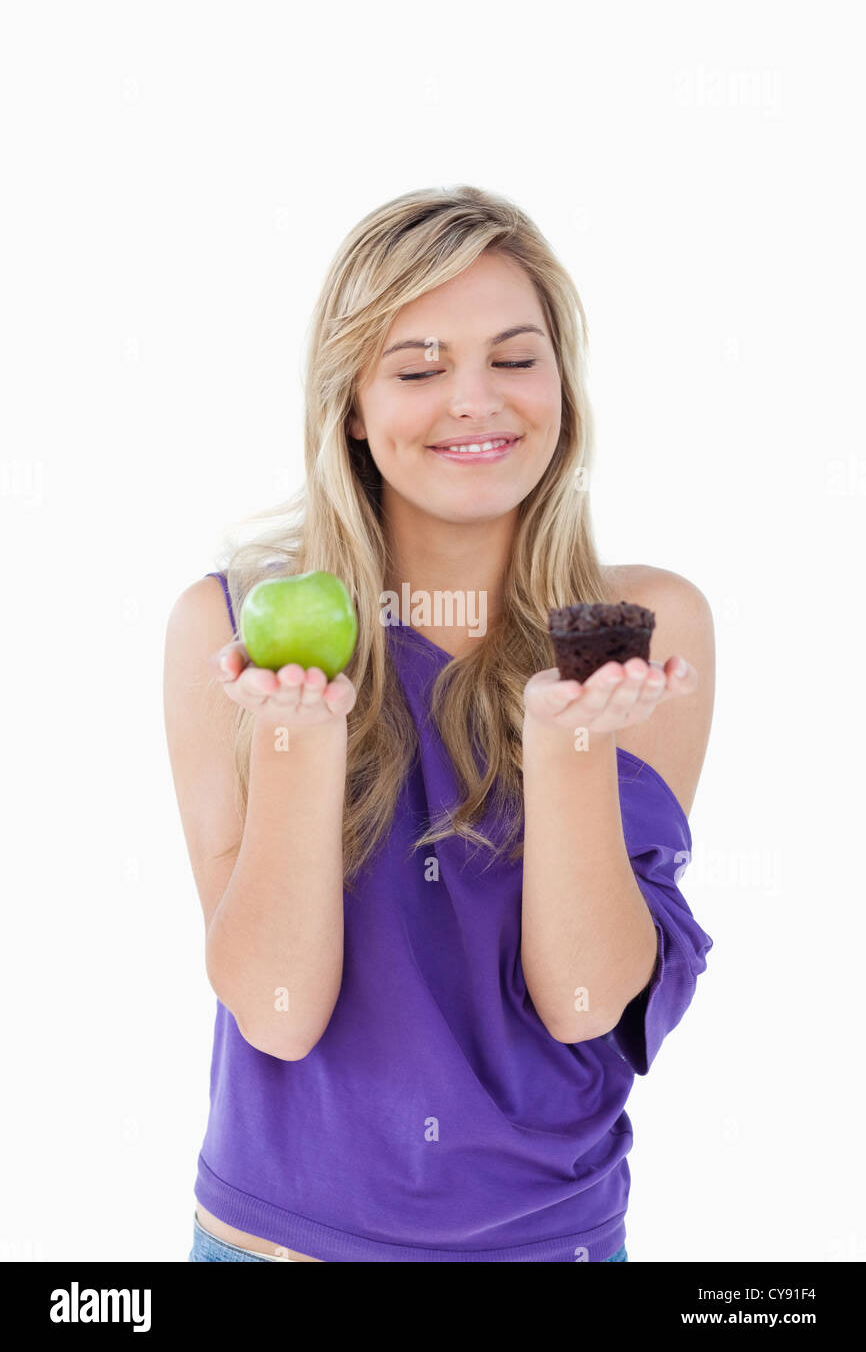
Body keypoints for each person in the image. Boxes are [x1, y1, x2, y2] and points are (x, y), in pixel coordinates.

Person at [163, 185, 715, 1263]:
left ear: (563, 385)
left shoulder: (634, 635)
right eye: (417, 368)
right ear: (352, 409)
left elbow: (585, 1000)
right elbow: (276, 1011)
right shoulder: (235, 632)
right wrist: (300, 742)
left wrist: (569, 747)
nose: (474, 401)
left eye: (514, 359)